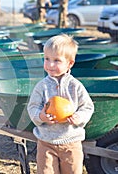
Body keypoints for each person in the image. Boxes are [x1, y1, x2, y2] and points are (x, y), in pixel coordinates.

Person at [27, 34, 94, 174]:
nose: (50, 64)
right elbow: (32, 106)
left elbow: (87, 106)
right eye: (47, 59)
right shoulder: (42, 86)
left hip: (71, 142)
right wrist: (40, 116)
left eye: (56, 60)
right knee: (45, 171)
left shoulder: (75, 86)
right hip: (46, 142)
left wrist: (79, 117)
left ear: (70, 63)